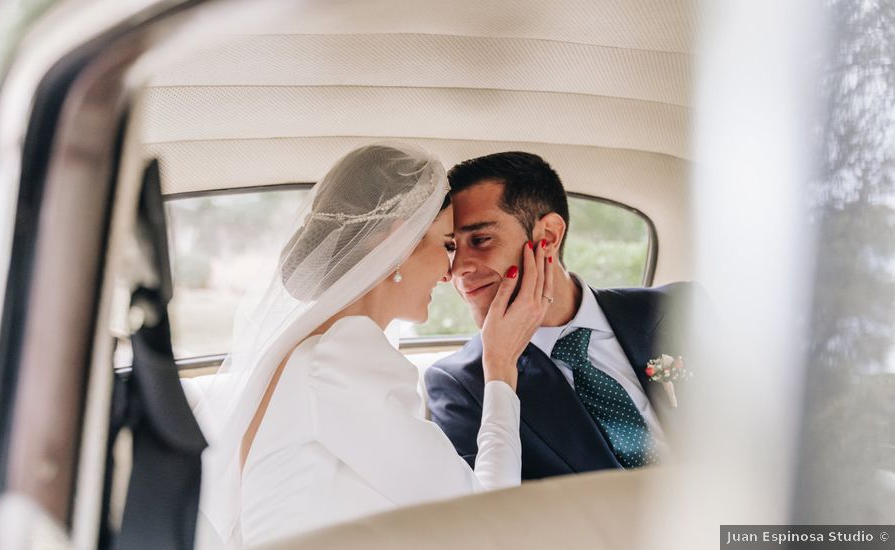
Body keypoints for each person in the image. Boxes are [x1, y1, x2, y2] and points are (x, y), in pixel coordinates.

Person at [192, 143, 554, 548]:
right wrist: (500, 364)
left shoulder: (312, 352)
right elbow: (488, 515)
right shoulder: (341, 359)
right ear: (399, 242)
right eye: (448, 244)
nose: (450, 273)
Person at [426, 151, 696, 480]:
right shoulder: (461, 386)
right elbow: (489, 518)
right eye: (452, 247)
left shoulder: (679, 309)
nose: (457, 270)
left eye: (481, 240)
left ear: (549, 236)